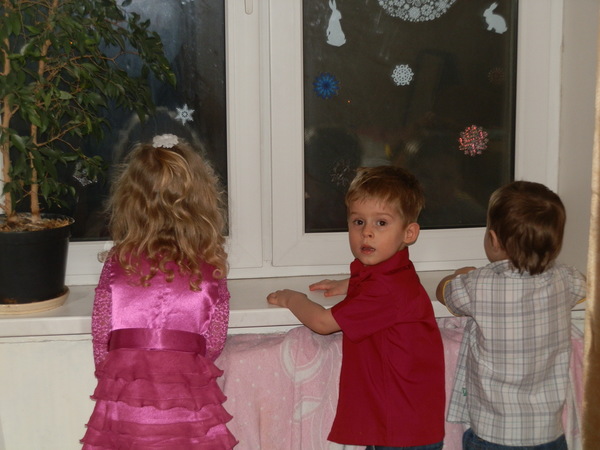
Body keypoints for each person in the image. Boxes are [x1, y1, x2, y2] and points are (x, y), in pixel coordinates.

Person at [267, 165, 446, 449]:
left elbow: (323, 323)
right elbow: (382, 291)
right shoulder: (390, 274)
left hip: (400, 430)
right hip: (402, 421)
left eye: (381, 223)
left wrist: (293, 299)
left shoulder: (386, 289)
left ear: (409, 233)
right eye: (358, 222)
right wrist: (349, 284)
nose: (367, 233)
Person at [81, 134, 237, 449]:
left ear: (131, 200)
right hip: (185, 400)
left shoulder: (118, 262)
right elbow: (214, 342)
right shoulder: (210, 268)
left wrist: (116, 377)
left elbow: (101, 334)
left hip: (127, 400)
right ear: (201, 199)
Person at [436, 180, 586, 450]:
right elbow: (584, 287)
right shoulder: (564, 279)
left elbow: (446, 294)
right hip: (547, 433)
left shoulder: (478, 284)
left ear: (494, 240)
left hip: (493, 433)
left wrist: (458, 276)